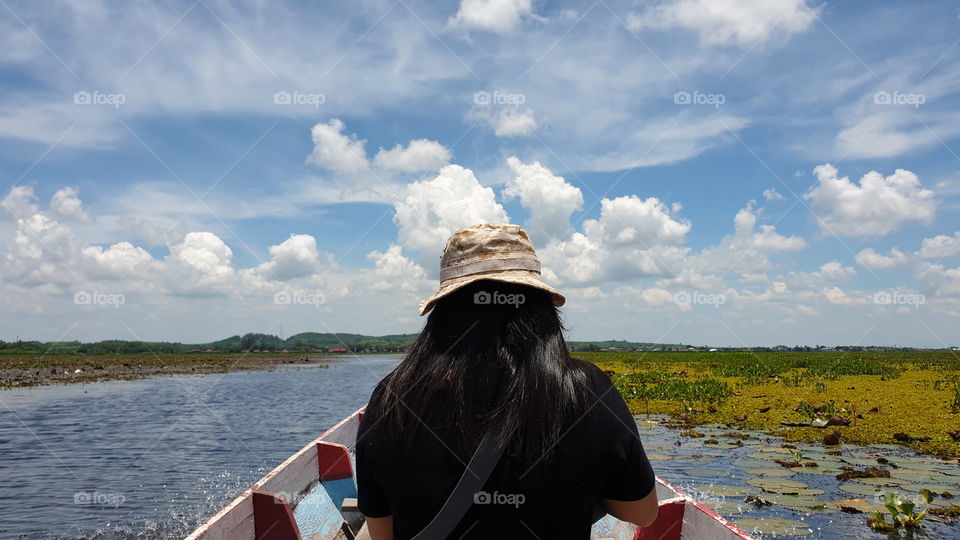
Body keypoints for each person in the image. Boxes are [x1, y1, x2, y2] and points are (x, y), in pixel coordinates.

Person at [356, 223, 658, 539]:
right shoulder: (587, 390)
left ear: (442, 312)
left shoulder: (393, 398)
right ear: (541, 309)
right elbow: (642, 513)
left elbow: (381, 533)